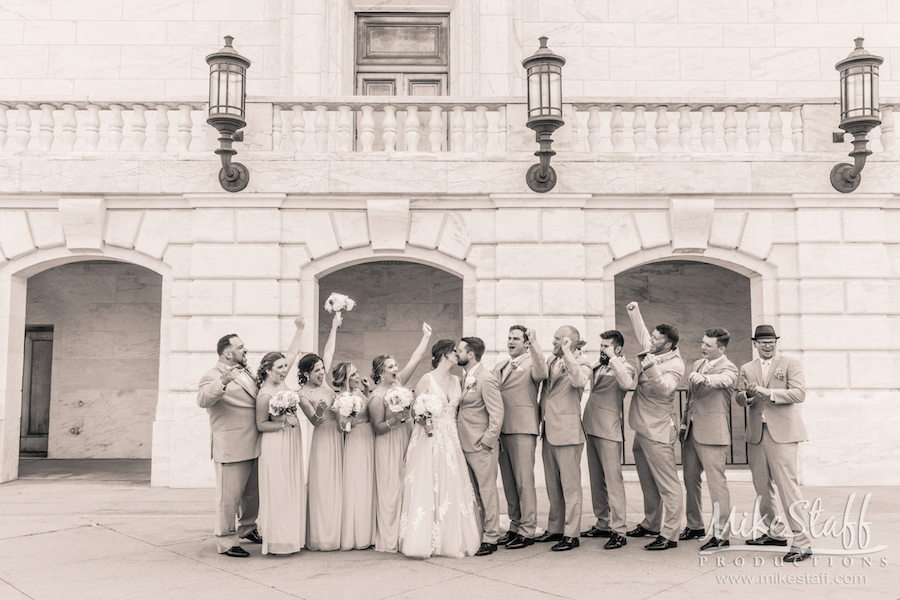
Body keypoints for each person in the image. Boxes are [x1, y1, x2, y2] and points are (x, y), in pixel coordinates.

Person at [736, 325, 812, 563]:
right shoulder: (747, 368)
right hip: (758, 434)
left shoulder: (790, 363)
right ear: (755, 344)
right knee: (762, 488)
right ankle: (774, 532)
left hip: (784, 435)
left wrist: (767, 392)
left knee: (787, 487)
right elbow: (739, 397)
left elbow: (799, 394)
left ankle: (802, 542)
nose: (767, 345)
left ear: (776, 343)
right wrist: (747, 395)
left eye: (771, 341)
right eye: (763, 342)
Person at [399, 340, 481, 559]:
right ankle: (423, 538)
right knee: (428, 485)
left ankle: (450, 538)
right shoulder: (427, 379)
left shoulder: (458, 379)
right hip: (428, 439)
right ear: (445, 355)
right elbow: (414, 413)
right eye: (455, 351)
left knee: (450, 486)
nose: (458, 355)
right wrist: (423, 418)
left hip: (451, 439)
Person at [624, 302, 685, 551]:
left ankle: (669, 534)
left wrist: (650, 367)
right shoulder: (655, 350)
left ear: (668, 344)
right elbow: (642, 333)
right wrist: (634, 311)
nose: (651, 339)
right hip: (642, 429)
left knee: (668, 485)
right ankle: (651, 523)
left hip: (658, 431)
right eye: (652, 336)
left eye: (656, 338)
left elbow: (665, 389)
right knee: (648, 481)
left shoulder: (675, 365)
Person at [368, 322, 433, 553]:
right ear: (380, 372)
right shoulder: (377, 397)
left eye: (395, 365)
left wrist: (426, 337)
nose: (395, 369)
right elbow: (377, 427)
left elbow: (415, 359)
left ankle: (405, 535)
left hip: (406, 439)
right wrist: (397, 419)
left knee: (406, 486)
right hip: (387, 444)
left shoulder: (401, 384)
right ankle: (388, 539)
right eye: (390, 366)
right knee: (390, 491)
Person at [197, 333, 263, 557]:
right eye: (241, 347)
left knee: (252, 495)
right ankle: (226, 541)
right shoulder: (212, 376)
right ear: (228, 353)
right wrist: (223, 381)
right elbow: (203, 399)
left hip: (254, 444)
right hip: (231, 447)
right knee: (229, 499)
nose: (245, 350)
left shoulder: (247, 372)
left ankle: (248, 528)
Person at [679, 327, 738, 551]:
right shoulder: (697, 363)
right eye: (703, 343)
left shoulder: (729, 367)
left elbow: (724, 380)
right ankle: (694, 525)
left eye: (708, 345)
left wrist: (705, 378)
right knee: (690, 479)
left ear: (721, 348)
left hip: (713, 433)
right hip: (692, 430)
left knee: (717, 485)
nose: (703, 347)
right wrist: (685, 422)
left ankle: (721, 535)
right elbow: (691, 398)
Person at [535, 326, 592, 552]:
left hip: (568, 433)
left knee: (570, 487)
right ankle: (555, 528)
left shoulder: (583, 363)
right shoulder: (551, 360)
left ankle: (571, 534)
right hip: (548, 430)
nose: (554, 342)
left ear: (569, 342)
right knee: (552, 485)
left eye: (558, 339)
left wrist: (569, 353)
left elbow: (579, 381)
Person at [254, 317, 307, 555]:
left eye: (285, 367)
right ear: (268, 370)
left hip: (292, 442)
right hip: (275, 443)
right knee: (278, 489)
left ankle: (292, 536)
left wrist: (300, 330)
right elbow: (261, 425)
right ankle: (277, 540)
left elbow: (292, 353)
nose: (285, 371)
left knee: (291, 487)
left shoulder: (283, 383)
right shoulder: (265, 394)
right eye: (280, 368)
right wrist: (283, 423)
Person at [581, 330, 635, 550]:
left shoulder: (625, 366)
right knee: (596, 481)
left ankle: (619, 530)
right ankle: (603, 522)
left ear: (618, 349)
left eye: (606, 346)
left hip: (609, 430)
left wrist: (613, 359)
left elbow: (628, 383)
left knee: (613, 482)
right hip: (591, 427)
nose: (601, 349)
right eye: (601, 345)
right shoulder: (597, 364)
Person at [493, 325, 546, 550]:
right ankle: (514, 526)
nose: (511, 341)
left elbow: (542, 372)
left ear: (526, 343)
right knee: (509, 483)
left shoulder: (532, 362)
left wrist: (535, 344)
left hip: (523, 428)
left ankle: (527, 530)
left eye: (516, 338)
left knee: (524, 482)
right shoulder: (501, 365)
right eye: (509, 338)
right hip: (502, 430)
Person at [456, 337, 504, 556]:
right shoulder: (465, 377)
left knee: (487, 491)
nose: (457, 354)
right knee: (474, 492)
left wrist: (487, 442)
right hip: (464, 444)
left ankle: (491, 537)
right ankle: (480, 530)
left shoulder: (486, 378)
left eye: (459, 351)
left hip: (481, 446)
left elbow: (497, 414)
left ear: (471, 354)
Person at [297, 314, 341, 551]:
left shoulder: (325, 385)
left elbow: (329, 350)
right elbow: (314, 422)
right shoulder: (303, 394)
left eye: (322, 369)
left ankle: (338, 529)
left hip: (339, 435)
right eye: (316, 371)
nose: (322, 373)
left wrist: (334, 325)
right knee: (324, 484)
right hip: (323, 438)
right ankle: (323, 534)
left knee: (339, 484)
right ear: (306, 374)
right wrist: (320, 412)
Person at [331, 352, 376, 551]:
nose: (358, 377)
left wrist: (367, 391)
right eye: (353, 375)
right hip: (356, 439)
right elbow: (341, 427)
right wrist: (348, 418)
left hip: (369, 436)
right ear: (344, 379)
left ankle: (369, 530)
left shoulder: (359, 393)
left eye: (357, 373)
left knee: (369, 482)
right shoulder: (342, 398)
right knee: (358, 483)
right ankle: (357, 534)